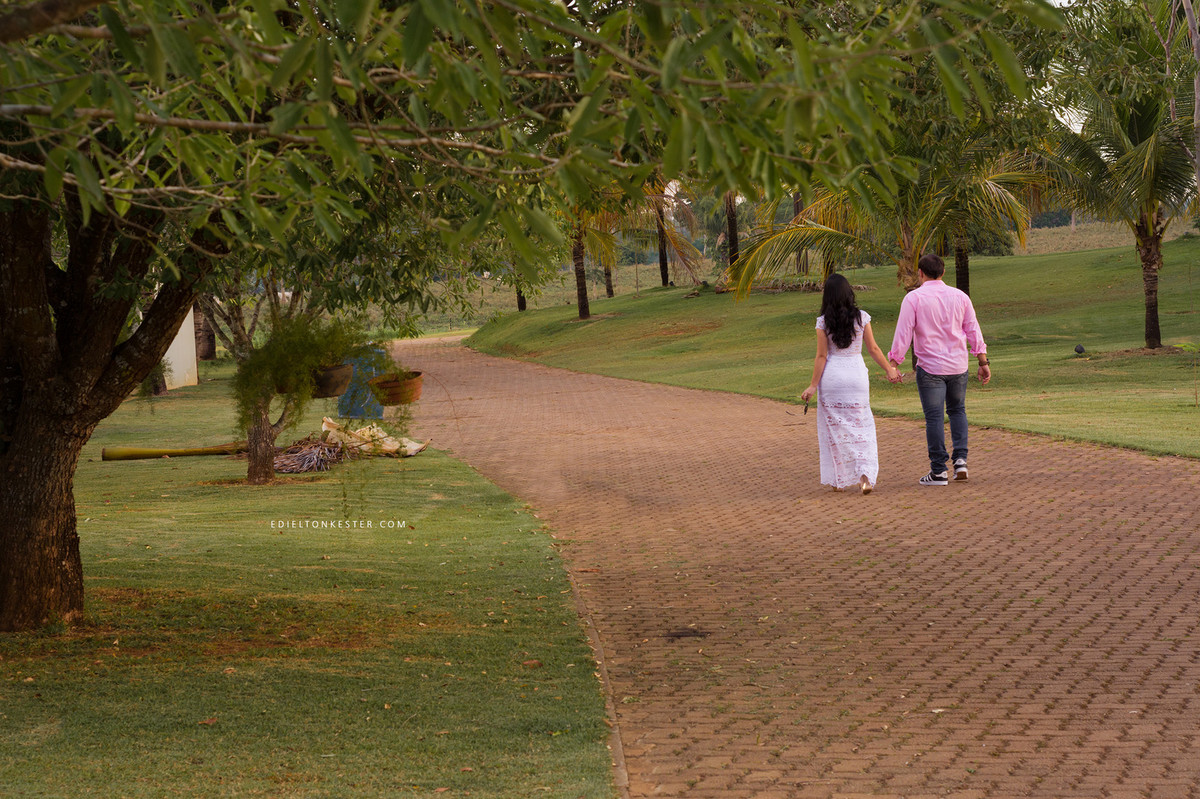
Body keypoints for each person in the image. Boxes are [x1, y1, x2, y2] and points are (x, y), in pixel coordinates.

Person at [887, 253, 991, 486]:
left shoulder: (914, 298)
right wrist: (983, 362)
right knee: (958, 411)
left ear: (920, 273)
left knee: (934, 417)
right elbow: (973, 329)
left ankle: (938, 470)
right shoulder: (960, 297)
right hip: (958, 366)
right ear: (943, 272)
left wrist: (894, 363)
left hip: (931, 367)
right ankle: (961, 461)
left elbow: (904, 332)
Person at [800, 274, 901, 495]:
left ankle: (839, 480)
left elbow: (821, 356)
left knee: (834, 430)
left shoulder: (823, 322)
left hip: (833, 379)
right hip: (856, 376)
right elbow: (873, 349)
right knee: (861, 427)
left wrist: (812, 386)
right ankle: (864, 476)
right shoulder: (862, 317)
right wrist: (889, 369)